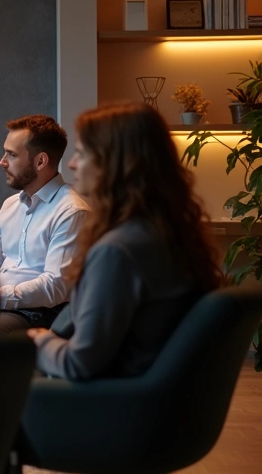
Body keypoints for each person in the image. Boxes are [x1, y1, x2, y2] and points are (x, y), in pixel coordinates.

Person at [29, 102, 224, 379]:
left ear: (115, 163)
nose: (71, 163)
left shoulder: (119, 251)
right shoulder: (166, 234)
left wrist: (40, 340)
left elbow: (79, 363)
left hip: (100, 407)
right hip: (141, 405)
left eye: (82, 154)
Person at [0, 115, 89, 333]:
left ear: (41, 161)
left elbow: (54, 287)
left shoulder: (71, 211)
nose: (2, 162)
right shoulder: (10, 205)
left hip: (40, 312)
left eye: (11, 155)